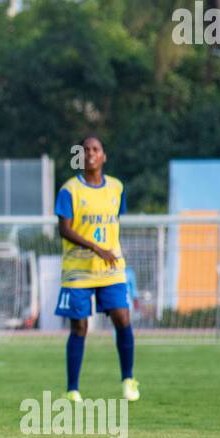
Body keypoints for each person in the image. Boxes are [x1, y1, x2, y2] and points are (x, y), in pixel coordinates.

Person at [53, 135, 138, 402]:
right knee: (79, 326)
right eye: (85, 149)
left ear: (104, 156)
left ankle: (128, 379)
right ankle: (73, 389)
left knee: (122, 318)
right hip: (78, 270)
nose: (90, 153)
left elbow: (115, 222)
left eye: (95, 149)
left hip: (111, 268)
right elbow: (64, 229)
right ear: (79, 155)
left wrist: (105, 250)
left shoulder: (116, 188)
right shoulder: (69, 190)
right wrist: (95, 247)